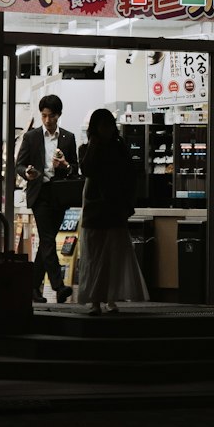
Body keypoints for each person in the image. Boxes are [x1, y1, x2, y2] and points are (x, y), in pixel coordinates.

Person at [77, 107, 147, 314]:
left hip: (111, 208)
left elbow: (129, 176)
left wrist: (128, 204)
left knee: (110, 256)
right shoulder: (88, 148)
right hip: (98, 209)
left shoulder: (119, 148)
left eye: (109, 125)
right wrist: (94, 146)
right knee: (96, 256)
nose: (106, 130)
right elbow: (87, 169)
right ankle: (98, 300)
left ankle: (107, 299)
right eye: (103, 125)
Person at [15, 94, 79, 303]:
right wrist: (28, 172)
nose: (47, 120)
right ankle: (59, 286)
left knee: (46, 242)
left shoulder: (68, 138)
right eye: (43, 116)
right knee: (49, 239)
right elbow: (20, 165)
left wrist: (66, 165)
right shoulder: (32, 137)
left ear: (58, 115)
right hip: (40, 193)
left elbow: (75, 169)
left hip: (59, 195)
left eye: (51, 116)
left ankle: (33, 288)